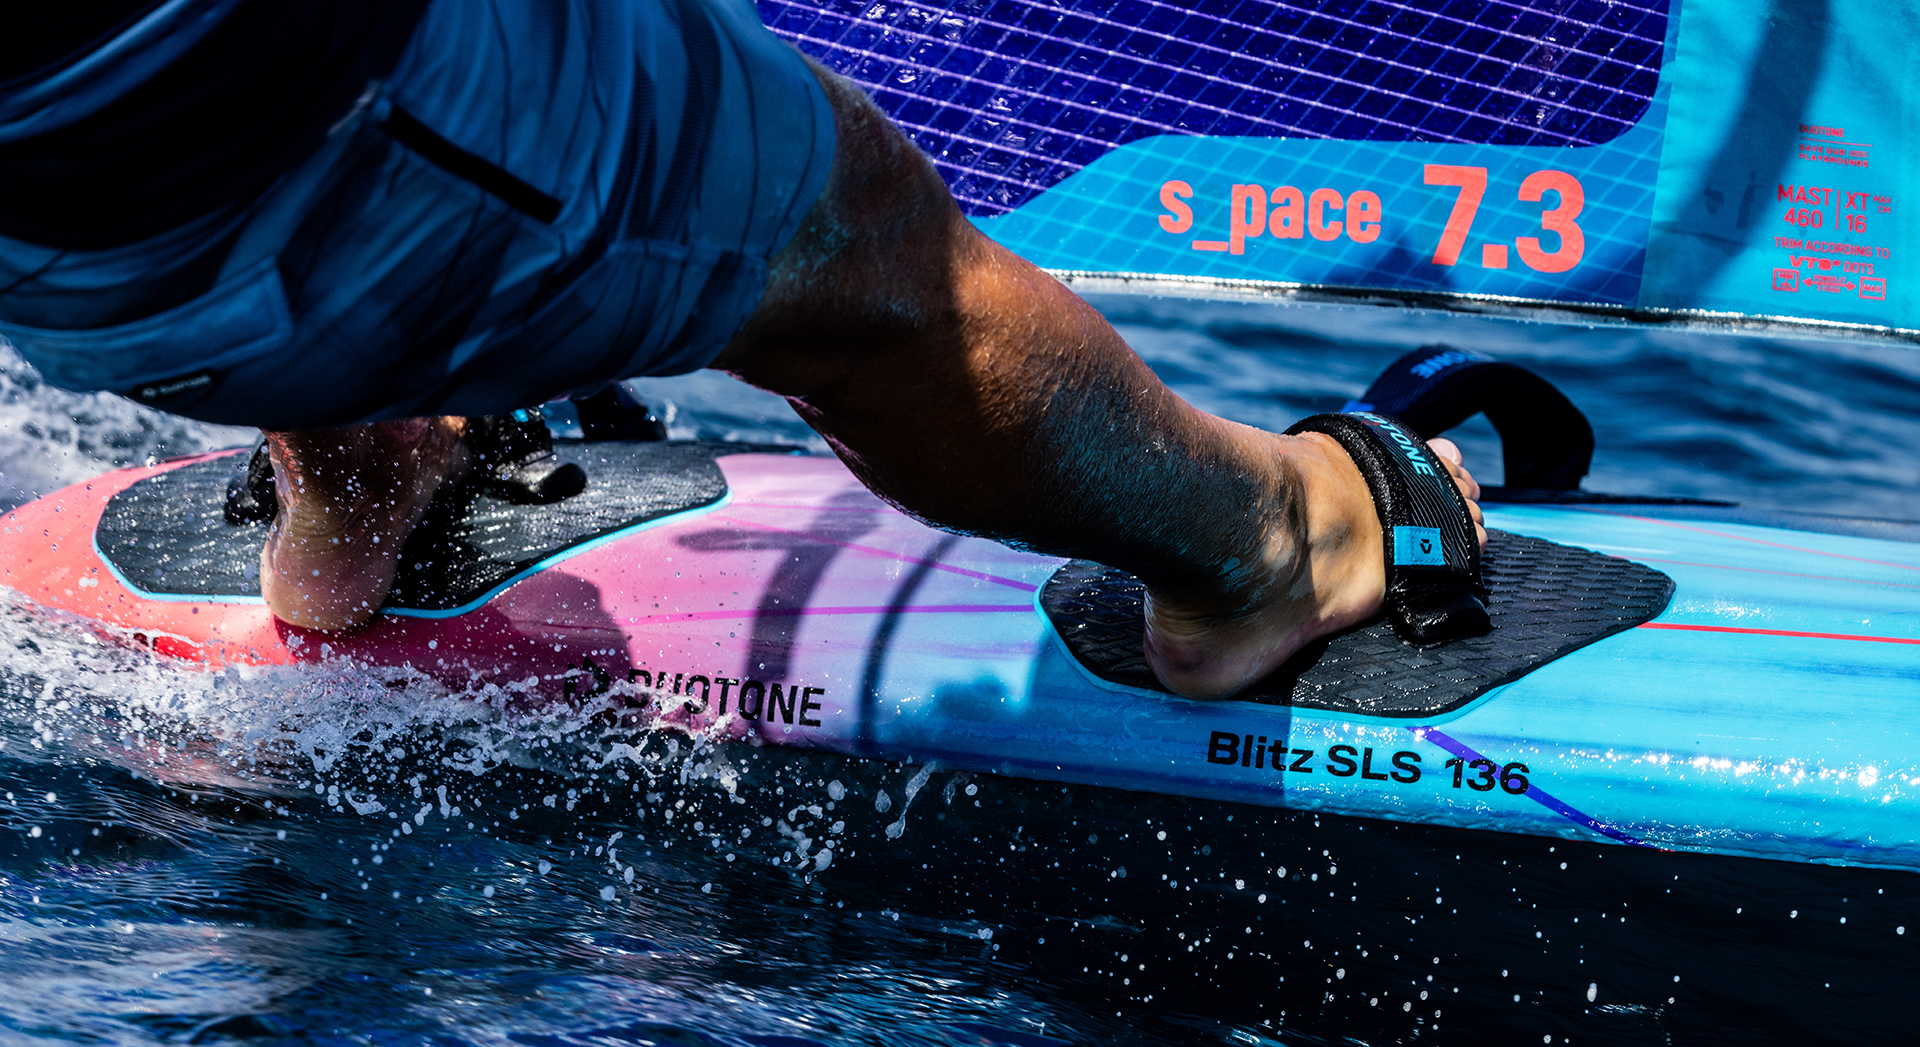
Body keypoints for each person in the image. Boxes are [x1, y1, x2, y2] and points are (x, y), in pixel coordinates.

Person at [0, 0, 1483, 701]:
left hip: (79, 277)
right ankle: (1264, 550)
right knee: (857, 244)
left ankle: (355, 471)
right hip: (338, 149)